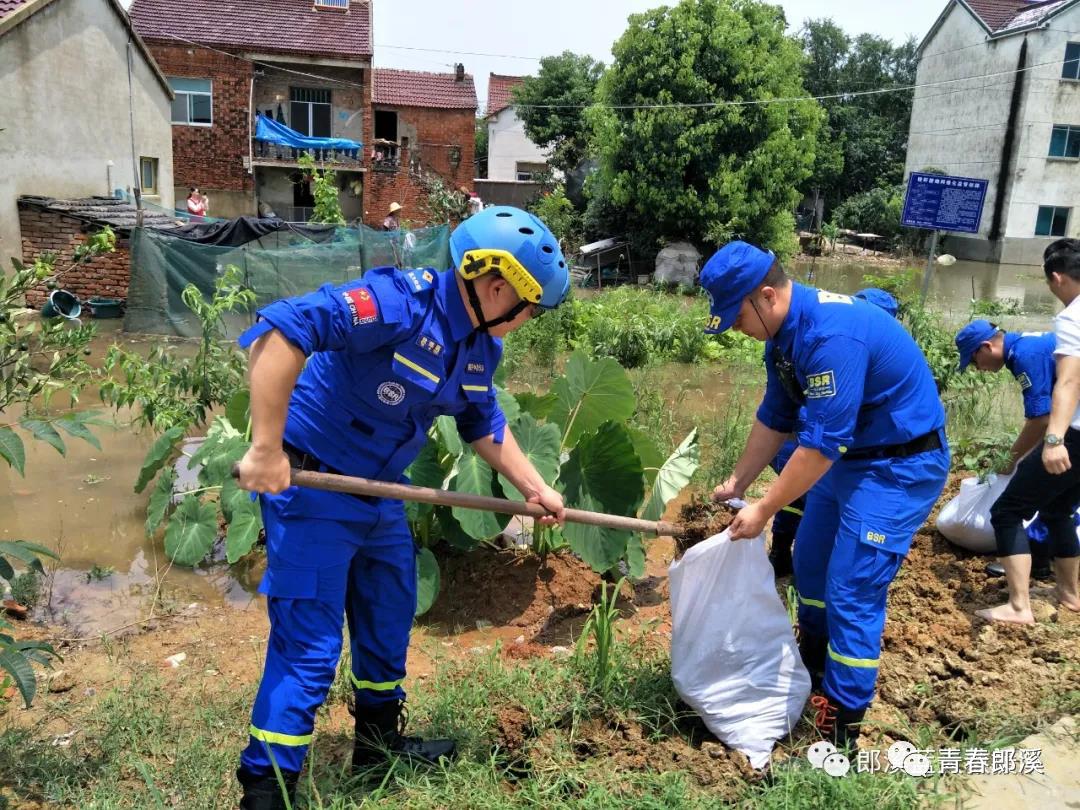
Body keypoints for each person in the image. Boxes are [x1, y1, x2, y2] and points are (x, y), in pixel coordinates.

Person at [233, 206, 570, 808]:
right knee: (309, 649)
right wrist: (265, 447)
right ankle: (268, 786)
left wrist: (534, 486)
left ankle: (377, 746)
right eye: (529, 308)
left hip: (382, 498)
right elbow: (280, 332)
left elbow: (482, 421)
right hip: (316, 488)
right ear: (498, 289)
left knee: (388, 618)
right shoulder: (396, 304)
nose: (526, 321)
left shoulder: (477, 348)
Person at [702, 242, 949, 748]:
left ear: (766, 297)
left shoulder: (832, 337)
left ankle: (840, 727)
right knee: (810, 565)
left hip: (898, 466)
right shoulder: (783, 338)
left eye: (737, 317)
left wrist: (766, 508)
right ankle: (813, 666)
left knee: (853, 590)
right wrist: (739, 482)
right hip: (851, 459)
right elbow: (776, 417)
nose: (736, 329)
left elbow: (820, 444)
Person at [978, 239, 1080, 624]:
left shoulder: (1072, 317)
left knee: (1007, 511)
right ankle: (1069, 594)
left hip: (1075, 436)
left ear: (1057, 278)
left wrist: (1053, 441)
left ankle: (1019, 606)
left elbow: (1068, 384)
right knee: (1058, 508)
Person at [766, 287, 900, 577]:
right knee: (816, 507)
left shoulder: (828, 334)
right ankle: (807, 565)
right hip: (812, 447)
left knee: (793, 500)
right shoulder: (860, 348)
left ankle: (780, 554)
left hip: (790, 442)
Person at [954, 319, 1056, 580]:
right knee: (1054, 490)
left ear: (986, 346)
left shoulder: (1025, 355)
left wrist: (1011, 458)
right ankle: (1042, 558)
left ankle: (1031, 557)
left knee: (1014, 503)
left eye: (975, 361)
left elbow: (1040, 419)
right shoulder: (1024, 346)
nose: (979, 369)